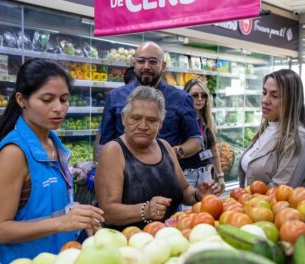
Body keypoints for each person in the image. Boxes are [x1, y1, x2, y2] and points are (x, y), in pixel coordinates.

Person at [0, 59, 104, 263]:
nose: (59, 108)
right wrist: (61, 222)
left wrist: (76, 215)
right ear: (22, 100)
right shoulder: (14, 153)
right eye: (47, 99)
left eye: (64, 99)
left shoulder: (53, 144)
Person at [95, 86, 222, 230]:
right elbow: (108, 212)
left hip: (169, 238)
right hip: (129, 244)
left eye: (151, 120)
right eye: (136, 118)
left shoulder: (165, 147)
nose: (143, 126)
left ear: (160, 124)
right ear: (124, 119)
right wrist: (146, 210)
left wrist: (198, 195)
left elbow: (184, 190)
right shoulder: (113, 151)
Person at [99, 41, 202, 162]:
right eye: (141, 61)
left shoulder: (182, 99)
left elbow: (196, 140)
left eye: (153, 61)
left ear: (163, 66)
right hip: (124, 174)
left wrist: (173, 153)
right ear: (133, 63)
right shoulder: (115, 96)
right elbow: (105, 142)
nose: (146, 66)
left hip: (165, 175)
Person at [238, 69, 305, 188]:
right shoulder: (268, 127)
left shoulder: (299, 139)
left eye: (275, 96)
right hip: (251, 205)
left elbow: (281, 191)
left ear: (291, 101)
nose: (265, 101)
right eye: (264, 93)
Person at [182, 79, 225, 192]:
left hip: (206, 175)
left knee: (207, 208)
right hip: (187, 177)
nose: (200, 99)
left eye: (203, 95)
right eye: (195, 95)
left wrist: (220, 176)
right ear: (186, 96)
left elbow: (214, 150)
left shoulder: (207, 119)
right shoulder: (180, 120)